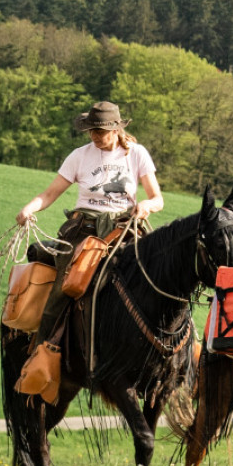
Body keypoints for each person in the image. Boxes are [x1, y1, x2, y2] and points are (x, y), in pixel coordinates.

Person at [15, 101, 165, 343]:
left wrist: (146, 205)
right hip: (84, 229)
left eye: (100, 131)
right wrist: (29, 208)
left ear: (116, 129)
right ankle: (41, 351)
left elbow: (157, 199)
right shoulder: (79, 156)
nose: (94, 136)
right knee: (64, 288)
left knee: (156, 275)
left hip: (124, 228)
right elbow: (50, 193)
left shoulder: (137, 154)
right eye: (91, 130)